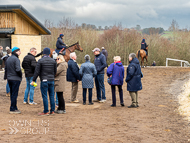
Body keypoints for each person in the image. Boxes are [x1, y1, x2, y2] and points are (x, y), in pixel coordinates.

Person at [32, 48, 57, 116]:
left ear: (43, 53)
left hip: (44, 80)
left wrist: (33, 80)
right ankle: (52, 110)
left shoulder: (40, 61)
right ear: (49, 53)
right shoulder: (53, 61)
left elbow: (37, 71)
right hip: (51, 80)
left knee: (45, 96)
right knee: (52, 95)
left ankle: (46, 111)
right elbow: (55, 71)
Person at [6, 47, 22, 114]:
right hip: (15, 79)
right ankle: (13, 108)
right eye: (19, 51)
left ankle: (14, 107)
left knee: (12, 93)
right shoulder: (16, 59)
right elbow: (18, 69)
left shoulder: (8, 58)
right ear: (16, 52)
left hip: (9, 78)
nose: (20, 52)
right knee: (14, 94)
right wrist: (20, 74)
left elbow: (6, 68)